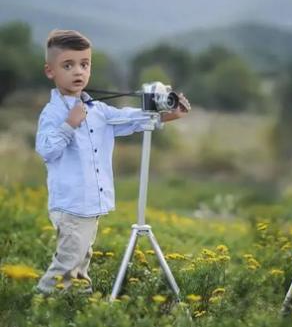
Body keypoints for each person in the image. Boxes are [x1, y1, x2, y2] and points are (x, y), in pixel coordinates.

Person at [35, 29, 190, 293]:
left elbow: (128, 118)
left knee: (81, 257)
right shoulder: (53, 113)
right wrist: (69, 125)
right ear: (50, 71)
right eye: (68, 65)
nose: (78, 72)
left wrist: (168, 115)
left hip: (90, 203)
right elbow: (46, 150)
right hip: (72, 203)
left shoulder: (98, 110)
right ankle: (42, 301)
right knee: (68, 261)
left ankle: (78, 299)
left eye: (84, 64)